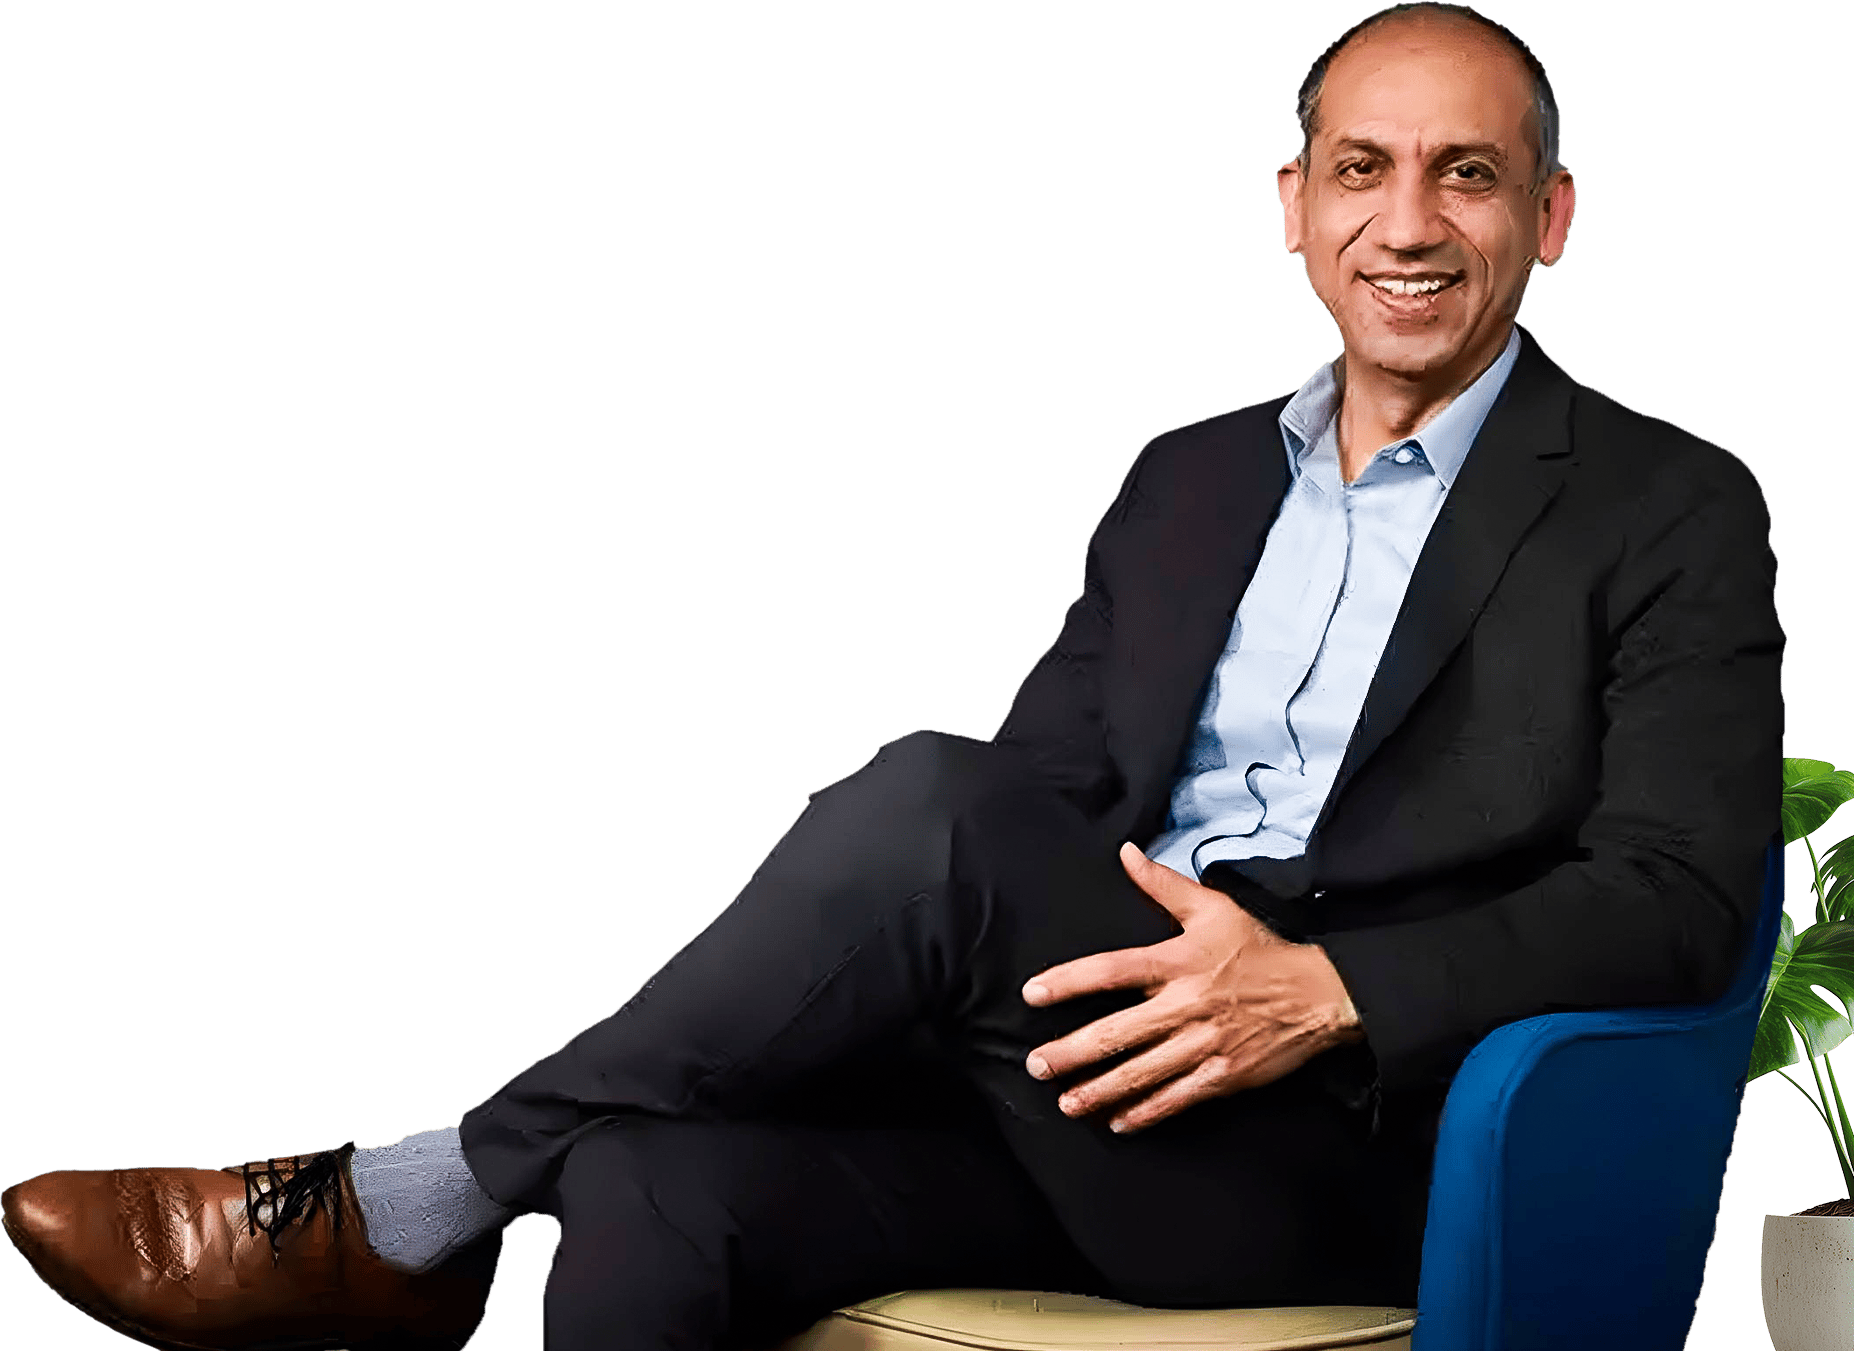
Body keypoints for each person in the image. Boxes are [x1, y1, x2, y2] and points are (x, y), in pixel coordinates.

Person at [0, 4, 1784, 1349]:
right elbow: (1043, 802)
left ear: (1547, 215)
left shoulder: (1666, 505)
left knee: (930, 799)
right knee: (646, 1183)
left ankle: (412, 1200)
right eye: (1361, 168)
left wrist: (1323, 989)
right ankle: (479, 1190)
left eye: (1465, 173)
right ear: (1292, 206)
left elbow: (1679, 897)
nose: (1408, 220)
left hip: (1343, 1152)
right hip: (1076, 1098)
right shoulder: (1186, 479)